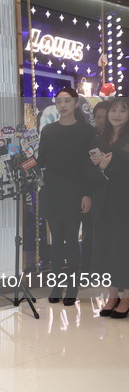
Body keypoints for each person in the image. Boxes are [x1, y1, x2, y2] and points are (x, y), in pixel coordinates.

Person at [37, 88, 93, 306]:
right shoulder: (49, 130)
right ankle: (57, 285)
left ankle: (73, 286)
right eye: (59, 101)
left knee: (71, 240)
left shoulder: (86, 131)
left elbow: (89, 165)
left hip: (75, 191)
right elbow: (42, 160)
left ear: (76, 103)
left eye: (67, 101)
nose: (62, 105)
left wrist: (87, 193)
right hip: (52, 190)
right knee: (56, 242)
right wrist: (23, 157)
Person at [89, 97, 129, 318]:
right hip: (102, 202)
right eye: (113, 110)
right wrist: (100, 169)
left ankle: (126, 298)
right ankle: (112, 295)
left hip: (123, 202)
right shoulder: (100, 139)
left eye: (123, 111)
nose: (116, 114)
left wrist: (107, 166)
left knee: (123, 249)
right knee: (106, 250)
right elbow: (88, 171)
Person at [81, 101, 111, 274]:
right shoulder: (92, 140)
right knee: (91, 233)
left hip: (116, 194)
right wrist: (86, 193)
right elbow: (85, 170)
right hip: (95, 194)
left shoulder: (121, 139)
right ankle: (90, 271)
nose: (101, 121)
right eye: (98, 117)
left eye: (104, 116)